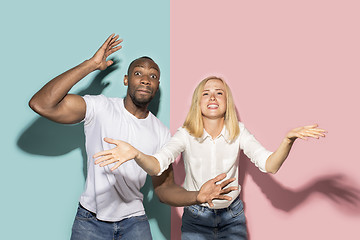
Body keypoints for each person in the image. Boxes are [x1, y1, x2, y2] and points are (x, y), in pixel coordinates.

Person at [29, 35, 237, 240]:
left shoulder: (161, 133)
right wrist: (90, 64)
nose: (146, 79)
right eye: (138, 73)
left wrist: (196, 196)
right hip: (90, 220)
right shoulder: (100, 108)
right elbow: (42, 104)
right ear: (126, 80)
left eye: (153, 76)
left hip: (134, 222)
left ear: (157, 85)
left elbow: (164, 188)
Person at [94, 76, 327, 239]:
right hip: (196, 218)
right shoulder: (185, 134)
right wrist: (136, 154)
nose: (212, 97)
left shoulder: (239, 132)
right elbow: (156, 165)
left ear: (227, 103)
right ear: (198, 102)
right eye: (206, 93)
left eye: (219, 93)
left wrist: (287, 140)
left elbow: (270, 165)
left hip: (232, 217)